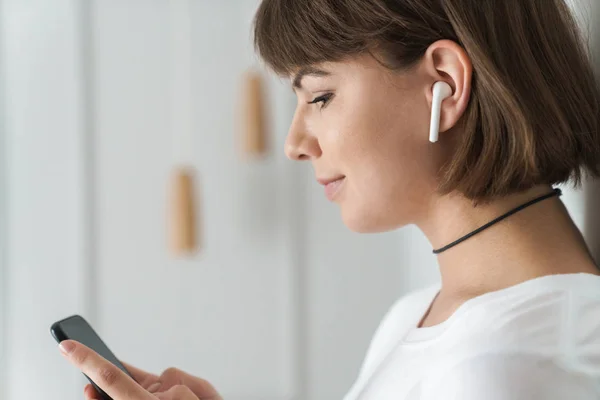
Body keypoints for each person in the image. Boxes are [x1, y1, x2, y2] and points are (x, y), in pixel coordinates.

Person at [60, 0, 600, 399]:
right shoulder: (416, 318)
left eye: (321, 96)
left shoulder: (505, 369)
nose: (295, 144)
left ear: (445, 84)